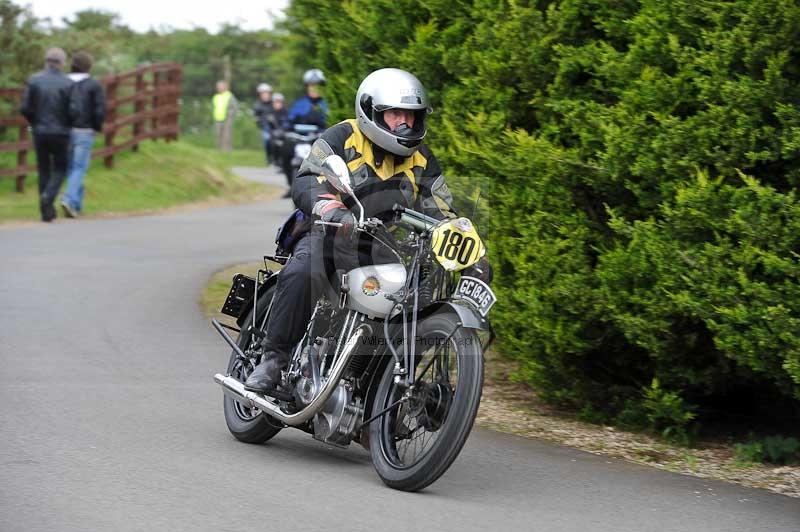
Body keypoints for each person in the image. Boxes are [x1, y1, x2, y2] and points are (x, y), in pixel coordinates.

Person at [244, 68, 491, 393]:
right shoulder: (343, 136)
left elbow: (441, 208)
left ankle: (383, 388)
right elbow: (307, 179)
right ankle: (274, 358)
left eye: (412, 116)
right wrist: (333, 208)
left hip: (385, 246)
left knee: (420, 299)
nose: (405, 123)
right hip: (329, 232)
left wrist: (470, 252)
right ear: (372, 111)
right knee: (306, 270)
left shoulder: (422, 159)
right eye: (395, 114)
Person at [19, 47, 73, 222]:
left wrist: (34, 122)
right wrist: (69, 122)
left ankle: (46, 213)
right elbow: (74, 109)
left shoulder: (34, 80)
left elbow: (25, 108)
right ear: (62, 63)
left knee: (43, 169)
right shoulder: (68, 83)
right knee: (60, 167)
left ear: (46, 61)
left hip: (40, 131)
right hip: (61, 132)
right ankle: (48, 197)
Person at [60, 51, 106, 218]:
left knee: (71, 167)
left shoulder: (62, 82)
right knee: (79, 167)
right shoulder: (94, 85)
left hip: (64, 131)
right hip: (84, 131)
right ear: (89, 66)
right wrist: (97, 127)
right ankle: (68, 198)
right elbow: (100, 110)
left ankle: (76, 206)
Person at [212, 80, 237, 151]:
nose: (219, 88)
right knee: (217, 134)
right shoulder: (216, 96)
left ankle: (227, 150)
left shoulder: (229, 96)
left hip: (227, 119)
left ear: (225, 87)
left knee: (227, 135)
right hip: (217, 119)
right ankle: (218, 149)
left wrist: (230, 116)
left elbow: (234, 107)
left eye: (220, 86)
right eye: (218, 87)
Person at [253, 83, 274, 165]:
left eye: (267, 93)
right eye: (263, 93)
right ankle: (269, 158)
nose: (265, 95)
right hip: (265, 127)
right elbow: (256, 117)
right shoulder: (258, 105)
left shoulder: (274, 103)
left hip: (275, 127)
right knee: (267, 139)